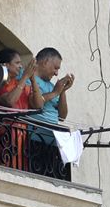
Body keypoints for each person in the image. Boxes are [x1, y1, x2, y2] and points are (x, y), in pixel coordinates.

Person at [27, 47, 75, 179]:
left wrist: (63, 91)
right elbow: (35, 104)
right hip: (35, 139)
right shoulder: (28, 78)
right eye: (55, 68)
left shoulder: (51, 85)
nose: (56, 73)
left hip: (54, 143)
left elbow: (62, 116)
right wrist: (55, 92)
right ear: (45, 61)